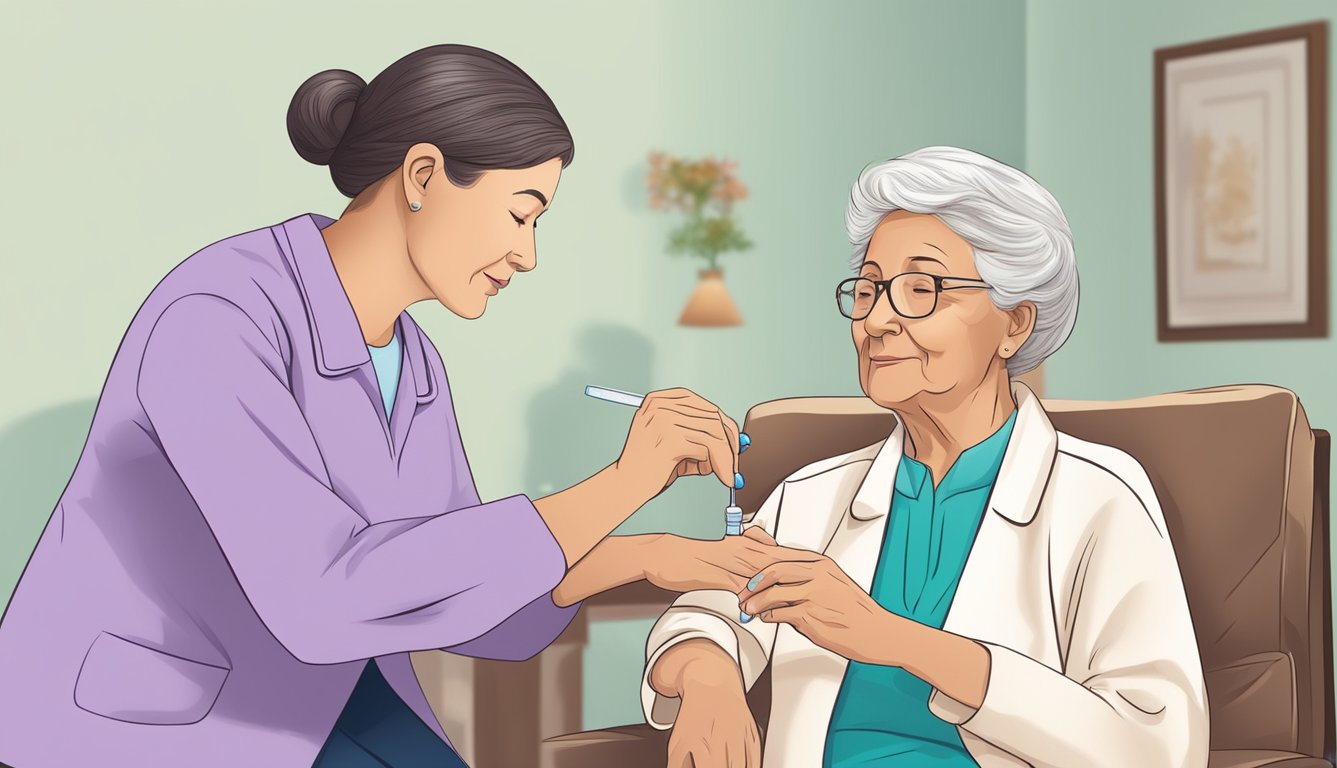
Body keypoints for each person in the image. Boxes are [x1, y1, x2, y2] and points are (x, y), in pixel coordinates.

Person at [0, 44, 798, 768]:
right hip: (154, 725)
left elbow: (462, 601)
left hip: (319, 704)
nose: (526, 254)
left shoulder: (413, 363)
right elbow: (320, 598)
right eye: (521, 213)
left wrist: (642, 552)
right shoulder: (216, 317)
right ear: (422, 177)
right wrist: (623, 483)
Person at [640, 147, 1210, 768]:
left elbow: (1157, 747)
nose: (877, 320)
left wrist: (893, 639)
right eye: (868, 289)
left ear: (1014, 325)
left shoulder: (1099, 496)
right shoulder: (813, 496)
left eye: (921, 289)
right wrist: (711, 681)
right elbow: (704, 615)